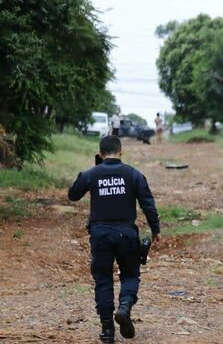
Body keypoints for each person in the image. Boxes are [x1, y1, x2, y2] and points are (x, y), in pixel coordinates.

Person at [68, 136, 161, 343]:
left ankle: (107, 330)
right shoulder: (134, 174)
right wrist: (156, 230)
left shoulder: (92, 174)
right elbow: (148, 204)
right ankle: (125, 306)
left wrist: (94, 171)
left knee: (103, 281)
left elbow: (73, 195)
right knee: (130, 276)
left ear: (101, 154)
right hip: (126, 234)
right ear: (121, 152)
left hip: (100, 235)